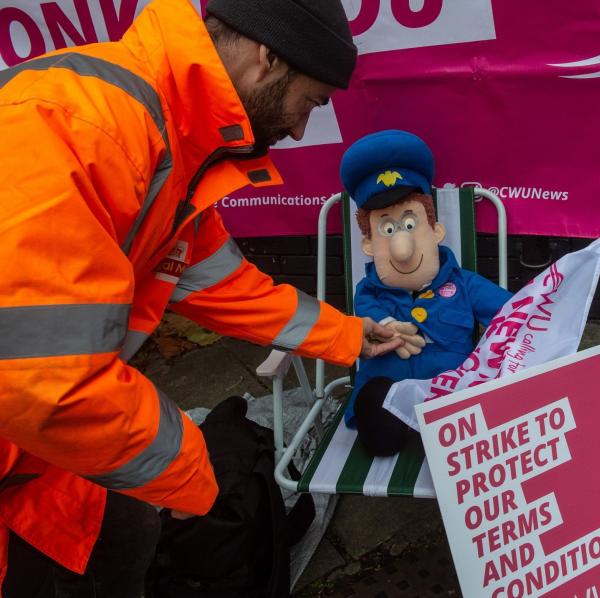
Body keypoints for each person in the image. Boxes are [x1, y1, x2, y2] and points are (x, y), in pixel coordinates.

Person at [0, 0, 402, 595]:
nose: (297, 130)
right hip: (31, 433)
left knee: (127, 536)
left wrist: (347, 336)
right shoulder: (82, 125)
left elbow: (219, 283)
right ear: (268, 57)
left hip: (37, 451)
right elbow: (46, 377)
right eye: (311, 103)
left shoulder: (170, 137)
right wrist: (190, 473)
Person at [339, 130, 513, 456]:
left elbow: (514, 315)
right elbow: (364, 315)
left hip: (451, 396)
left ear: (435, 231)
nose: (400, 246)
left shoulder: (464, 284)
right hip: (386, 394)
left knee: (470, 426)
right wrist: (386, 322)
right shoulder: (367, 292)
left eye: (409, 223)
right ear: (369, 244)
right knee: (379, 432)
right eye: (386, 229)